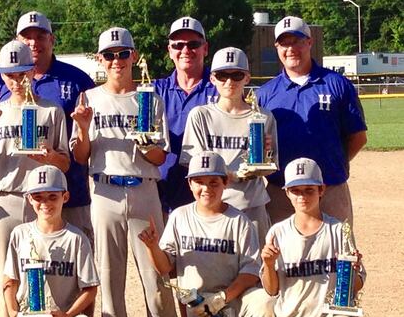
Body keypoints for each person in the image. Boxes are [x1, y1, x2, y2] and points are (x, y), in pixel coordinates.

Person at [70, 27, 181, 317]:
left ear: (134, 56)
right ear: (100, 59)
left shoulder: (149, 98)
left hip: (143, 189)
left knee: (156, 276)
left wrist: (145, 145)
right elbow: (80, 156)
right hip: (104, 190)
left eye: (122, 53)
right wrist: (83, 128)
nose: (116, 60)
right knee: (109, 277)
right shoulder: (89, 98)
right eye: (109, 54)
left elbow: (160, 157)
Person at [0, 40, 71, 317]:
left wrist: (50, 157)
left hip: (44, 203)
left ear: (32, 71)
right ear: (1, 76)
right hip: (9, 200)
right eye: (10, 75)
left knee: (45, 273)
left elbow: (66, 162)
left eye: (22, 73)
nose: (17, 81)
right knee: (7, 276)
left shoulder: (51, 110)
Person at [139, 152, 280, 317]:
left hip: (235, 298)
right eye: (199, 182)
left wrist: (222, 298)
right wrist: (152, 247)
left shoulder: (239, 221)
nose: (206, 188)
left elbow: (251, 273)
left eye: (213, 182)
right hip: (199, 304)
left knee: (268, 305)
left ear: (225, 183)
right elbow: (164, 268)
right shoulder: (179, 217)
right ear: (190, 184)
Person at [0, 11, 95, 242]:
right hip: (16, 190)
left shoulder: (77, 79)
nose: (34, 42)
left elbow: (90, 135)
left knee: (69, 260)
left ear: (52, 39)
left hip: (70, 192)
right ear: (17, 40)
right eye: (27, 37)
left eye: (40, 36)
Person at [257, 16, 367, 225]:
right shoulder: (265, 94)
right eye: (284, 43)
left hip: (329, 188)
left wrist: (333, 164)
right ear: (277, 47)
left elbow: (358, 137)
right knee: (279, 246)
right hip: (281, 192)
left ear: (309, 42)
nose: (291, 48)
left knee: (337, 245)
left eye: (297, 41)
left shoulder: (337, 84)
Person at [261, 158, 365, 317]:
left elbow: (356, 285)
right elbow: (272, 290)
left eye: (309, 190)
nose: (302, 196)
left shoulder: (339, 230)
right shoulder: (277, 233)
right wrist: (268, 264)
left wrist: (352, 272)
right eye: (296, 190)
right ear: (287, 192)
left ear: (321, 190)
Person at [180, 47, 278, 241]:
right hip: (213, 207)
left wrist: (262, 159)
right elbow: (194, 165)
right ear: (212, 79)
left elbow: (271, 167)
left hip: (252, 206)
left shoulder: (263, 117)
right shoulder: (201, 115)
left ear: (247, 78)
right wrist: (231, 175)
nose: (229, 81)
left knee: (257, 260)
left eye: (236, 75)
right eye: (222, 75)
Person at [3, 165, 102, 317]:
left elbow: (90, 288)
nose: (45, 203)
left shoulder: (76, 238)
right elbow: (10, 282)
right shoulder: (20, 234)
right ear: (29, 199)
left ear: (65, 197)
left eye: (52, 197)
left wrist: (66, 316)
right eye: (38, 197)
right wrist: (12, 312)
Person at [154, 17, 219, 214]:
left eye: (193, 44)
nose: (185, 50)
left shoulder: (220, 88)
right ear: (169, 50)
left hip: (207, 193)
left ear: (205, 48)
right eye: (178, 45)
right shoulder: (154, 91)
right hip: (161, 192)